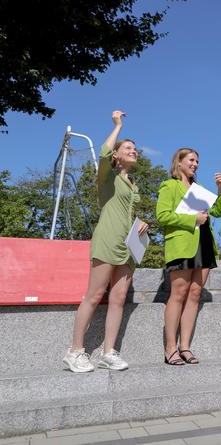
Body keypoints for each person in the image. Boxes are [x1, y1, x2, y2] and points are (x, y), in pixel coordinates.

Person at [63, 110, 148, 373]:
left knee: (119, 298)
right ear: (117, 156)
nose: (134, 151)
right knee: (95, 294)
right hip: (108, 241)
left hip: (128, 247)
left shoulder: (132, 185)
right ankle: (75, 351)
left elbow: (126, 213)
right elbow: (102, 152)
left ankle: (107, 352)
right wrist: (118, 126)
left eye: (135, 148)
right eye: (128, 148)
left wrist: (141, 225)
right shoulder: (107, 177)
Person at [156, 148, 221, 365]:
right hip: (182, 244)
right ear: (178, 162)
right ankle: (170, 348)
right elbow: (162, 215)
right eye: (191, 160)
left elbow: (216, 212)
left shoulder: (200, 189)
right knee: (179, 294)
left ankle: (185, 346)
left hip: (203, 243)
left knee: (195, 295)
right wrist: (192, 218)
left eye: (197, 161)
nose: (195, 164)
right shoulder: (170, 185)